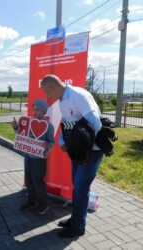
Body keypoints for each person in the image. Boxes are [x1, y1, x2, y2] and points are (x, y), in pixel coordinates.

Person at [40, 74, 103, 238]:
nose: (47, 96)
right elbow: (67, 124)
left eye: (47, 92)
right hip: (78, 150)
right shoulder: (62, 101)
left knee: (81, 188)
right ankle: (76, 218)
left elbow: (95, 123)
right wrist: (62, 140)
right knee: (77, 185)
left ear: (53, 87)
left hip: (92, 150)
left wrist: (80, 144)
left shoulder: (78, 95)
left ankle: (78, 227)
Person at [12, 98, 55, 215]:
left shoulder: (49, 126)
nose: (35, 112)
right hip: (28, 156)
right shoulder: (29, 122)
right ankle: (31, 201)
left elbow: (52, 142)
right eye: (34, 109)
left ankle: (43, 204)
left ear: (44, 111)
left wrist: (47, 145)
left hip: (39, 159)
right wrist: (16, 127)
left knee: (38, 181)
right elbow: (20, 135)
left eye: (38, 110)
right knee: (29, 179)